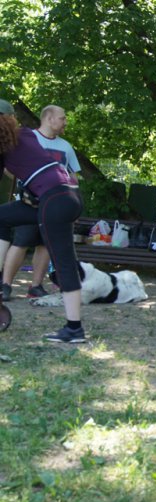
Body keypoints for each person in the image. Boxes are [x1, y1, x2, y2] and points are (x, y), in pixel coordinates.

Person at [0, 98, 85, 342]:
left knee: (64, 262)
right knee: (2, 217)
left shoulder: (4, 144)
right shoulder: (25, 134)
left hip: (55, 200)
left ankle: (74, 329)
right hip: (67, 195)